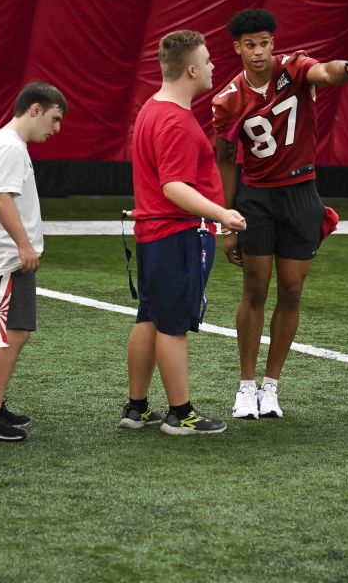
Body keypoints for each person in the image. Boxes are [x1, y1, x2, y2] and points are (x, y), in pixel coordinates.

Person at [212, 8, 348, 419]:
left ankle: (271, 386)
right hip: (257, 198)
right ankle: (245, 385)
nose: (259, 52)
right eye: (250, 44)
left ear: (273, 42)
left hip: (301, 193)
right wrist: (226, 221)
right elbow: (227, 160)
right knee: (255, 287)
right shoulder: (228, 98)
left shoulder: (294, 68)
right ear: (237, 48)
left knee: (291, 289)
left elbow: (327, 71)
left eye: (265, 42)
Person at [123, 30, 247, 435]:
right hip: (175, 234)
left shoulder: (150, 110)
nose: (213, 67)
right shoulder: (174, 119)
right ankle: (181, 413)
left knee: (149, 317)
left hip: (153, 233)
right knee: (172, 325)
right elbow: (174, 187)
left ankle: (137, 407)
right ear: (192, 69)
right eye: (209, 60)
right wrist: (222, 213)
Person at [0, 81, 66, 442]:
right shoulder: (10, 146)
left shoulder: (1, 141)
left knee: (1, 334)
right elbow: (0, 197)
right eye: (54, 119)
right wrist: (24, 245)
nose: (56, 129)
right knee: (13, 334)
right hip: (7, 258)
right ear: (35, 109)